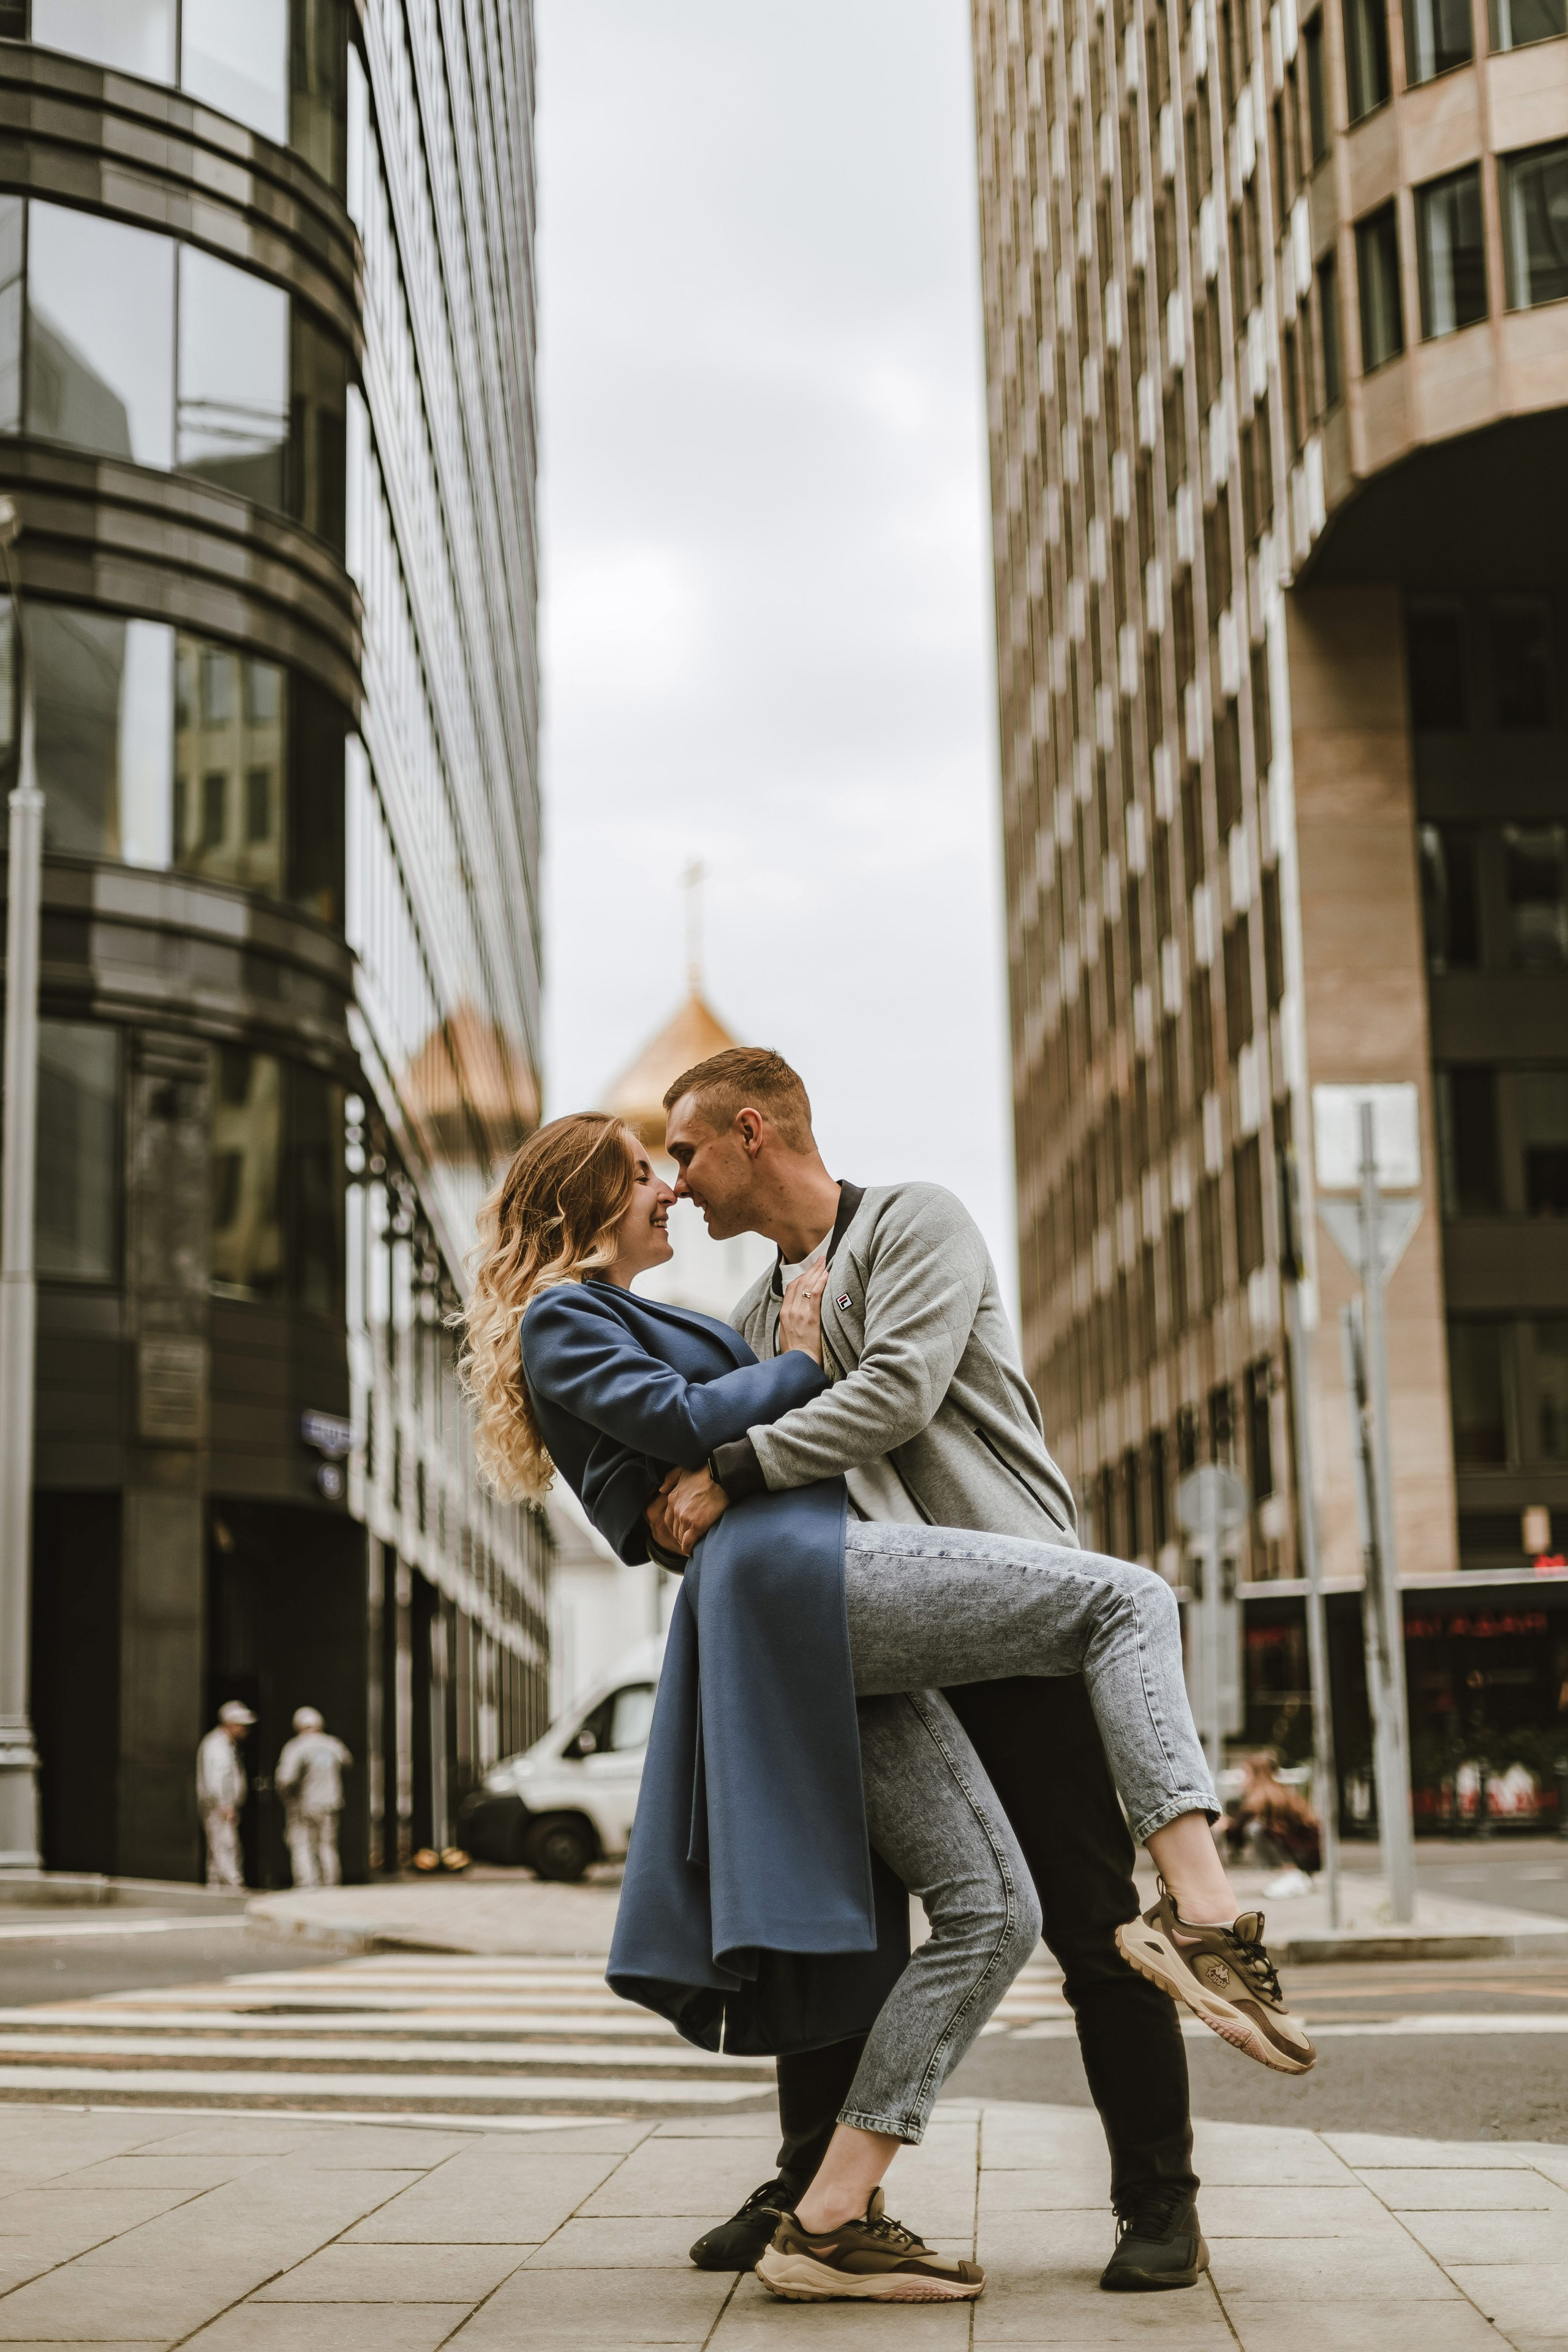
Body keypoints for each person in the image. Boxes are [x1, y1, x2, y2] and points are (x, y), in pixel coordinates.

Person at [460, 1104, 1314, 2307]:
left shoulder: (907, 1224)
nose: (675, 1186)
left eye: (682, 1158)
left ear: (751, 1132)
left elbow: (882, 1397)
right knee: (854, 1905)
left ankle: (1127, 2195)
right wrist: (752, 1415)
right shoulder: (696, 1313)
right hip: (833, 1602)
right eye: (649, 1173)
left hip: (961, 1593)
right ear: (588, 1201)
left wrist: (735, 1453)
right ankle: (821, 2189)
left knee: (1036, 1912)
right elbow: (677, 1457)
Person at [1224, 1751, 1322, 1896]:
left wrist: (1224, 1824)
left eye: (1245, 1774)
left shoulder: (1263, 1797)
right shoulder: (1277, 1793)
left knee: (1256, 1829)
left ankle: (1291, 1872)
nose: (1241, 1780)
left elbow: (1234, 1833)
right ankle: (1293, 1875)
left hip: (1303, 1855)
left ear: (1257, 1775)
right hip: (1306, 1852)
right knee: (1258, 1828)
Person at [275, 1707, 352, 1888]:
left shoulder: (297, 1746)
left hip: (305, 1805)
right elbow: (347, 1761)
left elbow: (286, 1778)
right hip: (330, 1804)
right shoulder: (333, 1744)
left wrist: (286, 1796)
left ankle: (307, 1884)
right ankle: (331, 1884)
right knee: (327, 1846)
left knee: (302, 1844)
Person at [196, 1701, 254, 1890]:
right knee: (227, 1845)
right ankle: (233, 1885)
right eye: (242, 1725)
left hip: (221, 1805)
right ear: (230, 1724)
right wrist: (225, 1805)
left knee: (217, 1848)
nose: (245, 1729)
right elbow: (217, 1778)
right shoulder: (217, 1746)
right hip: (219, 1806)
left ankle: (216, 1888)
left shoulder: (225, 1744)